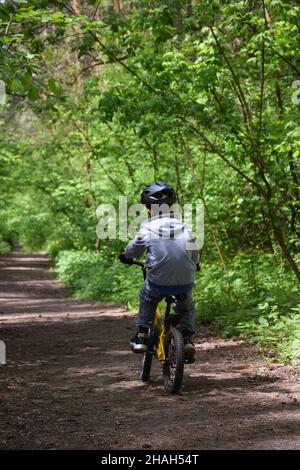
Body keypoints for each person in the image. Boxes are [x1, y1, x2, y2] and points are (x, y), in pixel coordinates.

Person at [119, 181, 200, 362]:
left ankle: (142, 335)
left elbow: (133, 251)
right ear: (171, 206)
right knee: (186, 305)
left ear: (148, 209)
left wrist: (126, 256)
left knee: (147, 298)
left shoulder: (147, 229)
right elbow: (195, 256)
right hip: (184, 282)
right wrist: (195, 264)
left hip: (157, 283)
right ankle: (186, 338)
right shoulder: (186, 228)